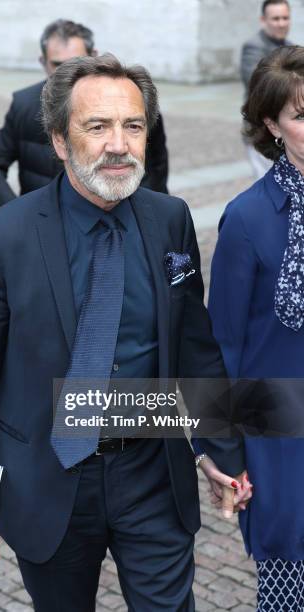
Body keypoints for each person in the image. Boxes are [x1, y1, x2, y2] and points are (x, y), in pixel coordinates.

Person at [0, 54, 251, 611]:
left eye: (132, 126)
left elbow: (194, 348)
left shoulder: (170, 219)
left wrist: (220, 450)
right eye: (97, 126)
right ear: (60, 141)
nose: (118, 144)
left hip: (153, 474)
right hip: (49, 484)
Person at [209, 45, 304, 611]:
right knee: (288, 587)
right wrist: (224, 453)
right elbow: (223, 347)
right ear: (272, 125)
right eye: (301, 114)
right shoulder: (247, 218)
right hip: (282, 438)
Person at [0, 19, 169, 210]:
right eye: (57, 65)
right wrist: (17, 216)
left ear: (94, 55)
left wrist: (145, 216)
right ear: (43, 62)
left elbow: (156, 168)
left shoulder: (132, 101)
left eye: (77, 62)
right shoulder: (24, 104)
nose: (67, 73)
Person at [240, 0, 292, 179]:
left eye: (285, 18)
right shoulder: (253, 47)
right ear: (263, 20)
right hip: (262, 132)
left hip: (287, 130)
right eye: (276, 18)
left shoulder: (290, 47)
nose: (281, 23)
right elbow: (260, 87)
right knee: (268, 185)